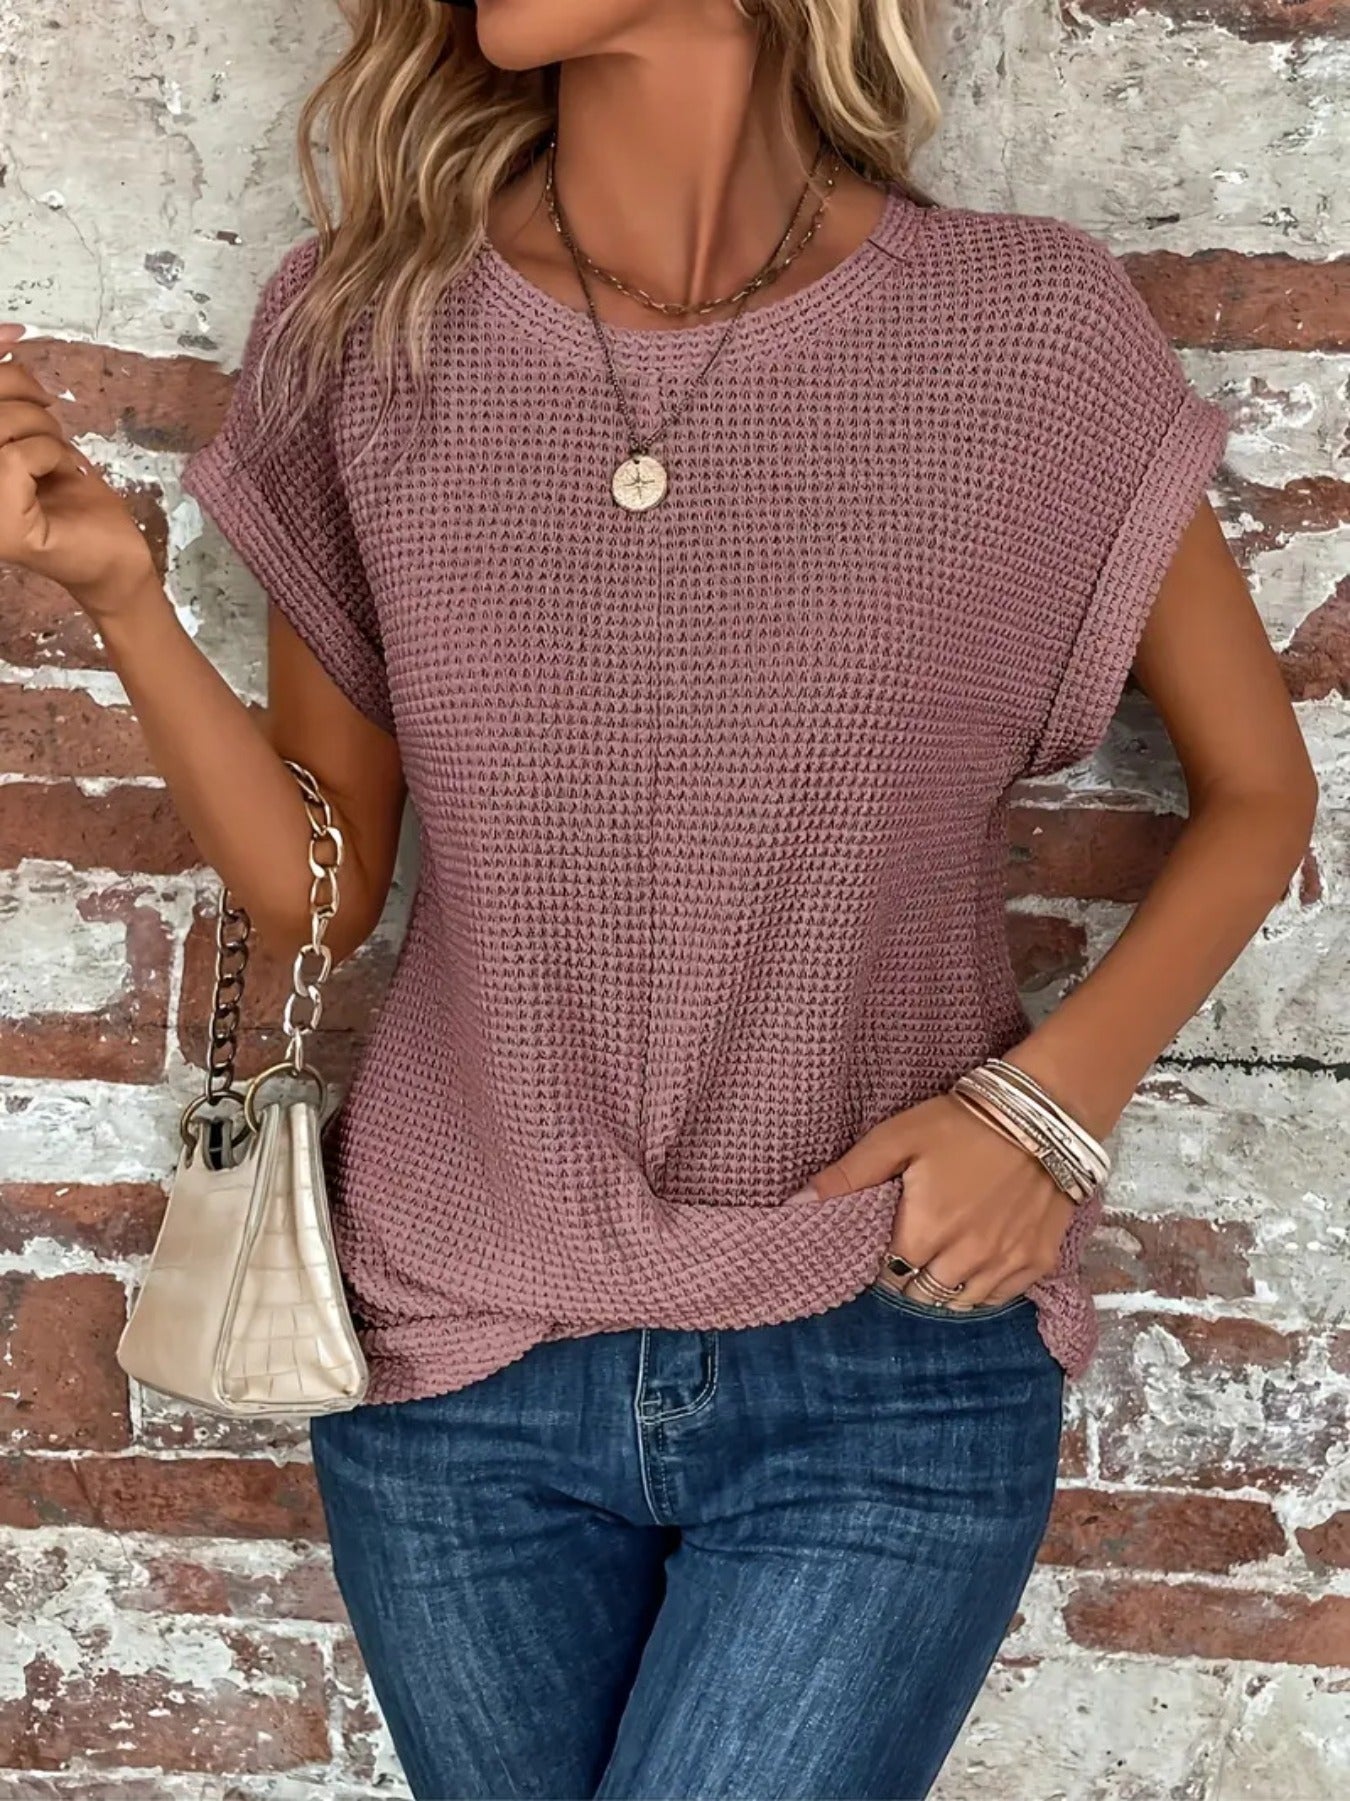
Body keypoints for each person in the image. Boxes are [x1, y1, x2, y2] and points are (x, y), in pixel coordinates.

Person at [0, 3, 1316, 1797]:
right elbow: (322, 891)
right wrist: (119, 596)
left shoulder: (1024, 328)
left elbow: (1259, 795)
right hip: (454, 1373)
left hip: (880, 1343)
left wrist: (1046, 1109)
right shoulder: (364, 325)